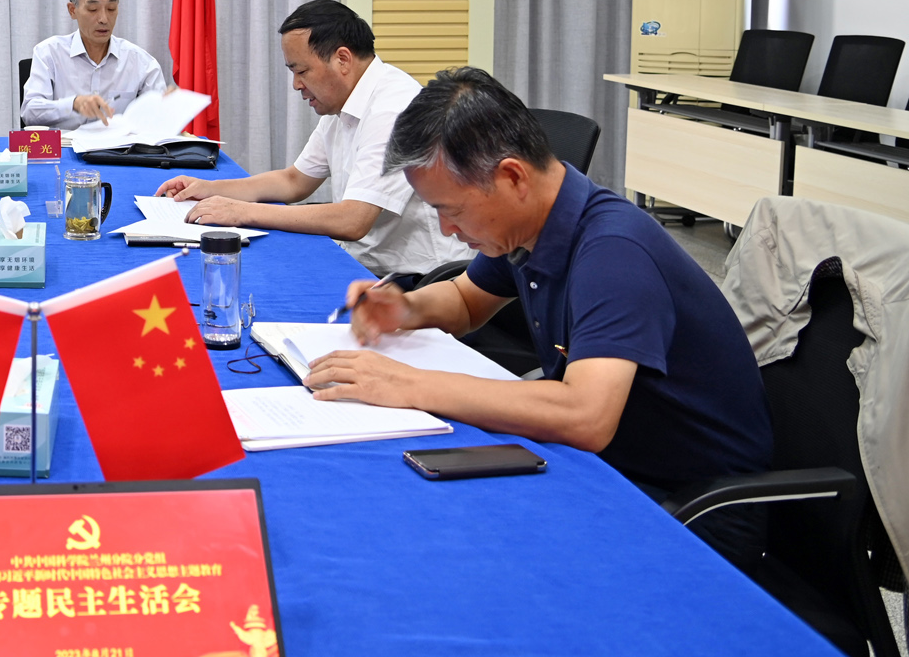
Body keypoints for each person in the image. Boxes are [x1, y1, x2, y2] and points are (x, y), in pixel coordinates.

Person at [309, 66, 772, 563]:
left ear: (512, 177)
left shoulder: (614, 254)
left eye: (452, 210)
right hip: (612, 465)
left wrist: (408, 384)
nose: (446, 230)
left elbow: (586, 416)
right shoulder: (532, 224)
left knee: (458, 547)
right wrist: (405, 307)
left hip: (692, 508)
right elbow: (466, 300)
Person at [156, 0, 468, 277]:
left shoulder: (394, 107)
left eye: (302, 71)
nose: (296, 85)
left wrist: (242, 212)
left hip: (419, 279)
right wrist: (210, 189)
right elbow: (294, 181)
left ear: (342, 59)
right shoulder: (345, 100)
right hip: (366, 265)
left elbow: (353, 220)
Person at [21, 0, 165, 129]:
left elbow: (160, 121)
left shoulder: (141, 61)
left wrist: (171, 106)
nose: (104, 19)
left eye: (111, 8)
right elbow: (30, 112)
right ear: (72, 10)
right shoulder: (49, 53)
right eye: (93, 10)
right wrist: (73, 104)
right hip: (66, 143)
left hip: (118, 144)